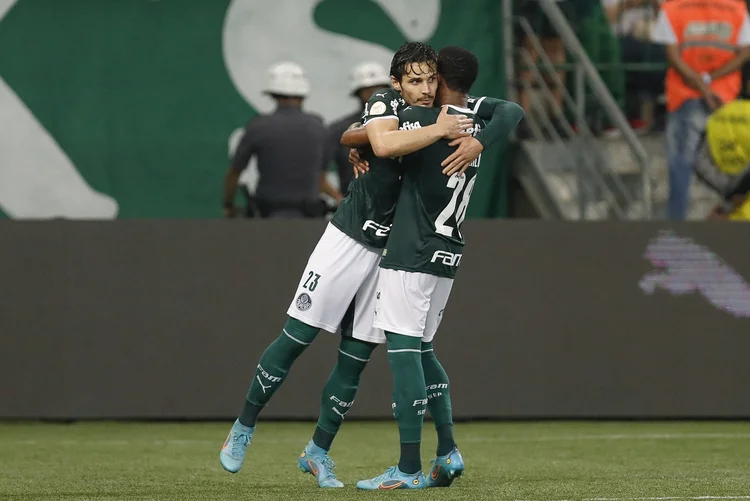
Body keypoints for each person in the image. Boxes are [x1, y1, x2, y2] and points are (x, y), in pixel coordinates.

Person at [217, 42, 473, 482]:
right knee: (298, 336)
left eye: (431, 78)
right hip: (347, 239)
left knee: (355, 358)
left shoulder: (441, 115)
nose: (426, 88)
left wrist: (459, 133)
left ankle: (317, 451)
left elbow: (365, 137)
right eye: (414, 80)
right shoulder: (387, 102)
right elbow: (380, 140)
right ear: (395, 83)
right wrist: (378, 136)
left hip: (391, 256)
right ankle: (243, 426)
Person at [353, 47, 524, 490]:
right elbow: (512, 109)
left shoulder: (429, 122)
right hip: (447, 252)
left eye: (431, 77)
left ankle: (408, 468)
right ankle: (447, 452)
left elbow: (380, 139)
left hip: (411, 253)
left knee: (404, 356)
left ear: (440, 79)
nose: (425, 86)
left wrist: (361, 140)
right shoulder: (473, 123)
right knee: (425, 352)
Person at [650, 0, 750, 219]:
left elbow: (672, 54)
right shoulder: (736, 8)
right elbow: (745, 52)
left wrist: (698, 82)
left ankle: (679, 229)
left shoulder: (673, 7)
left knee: (681, 166)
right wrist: (711, 80)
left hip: (685, 95)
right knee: (731, 166)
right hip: (726, 100)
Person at [222, 62, 342, 218]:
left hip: (268, 217)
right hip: (310, 220)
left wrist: (228, 206)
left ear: (272, 93)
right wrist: (340, 199)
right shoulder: (319, 128)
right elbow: (321, 180)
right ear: (304, 93)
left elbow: (234, 173)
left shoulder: (258, 126)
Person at [328, 62, 391, 194]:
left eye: (379, 89)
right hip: (353, 203)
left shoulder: (404, 120)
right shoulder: (339, 129)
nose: (375, 94)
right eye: (369, 90)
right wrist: (341, 203)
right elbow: (318, 171)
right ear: (358, 93)